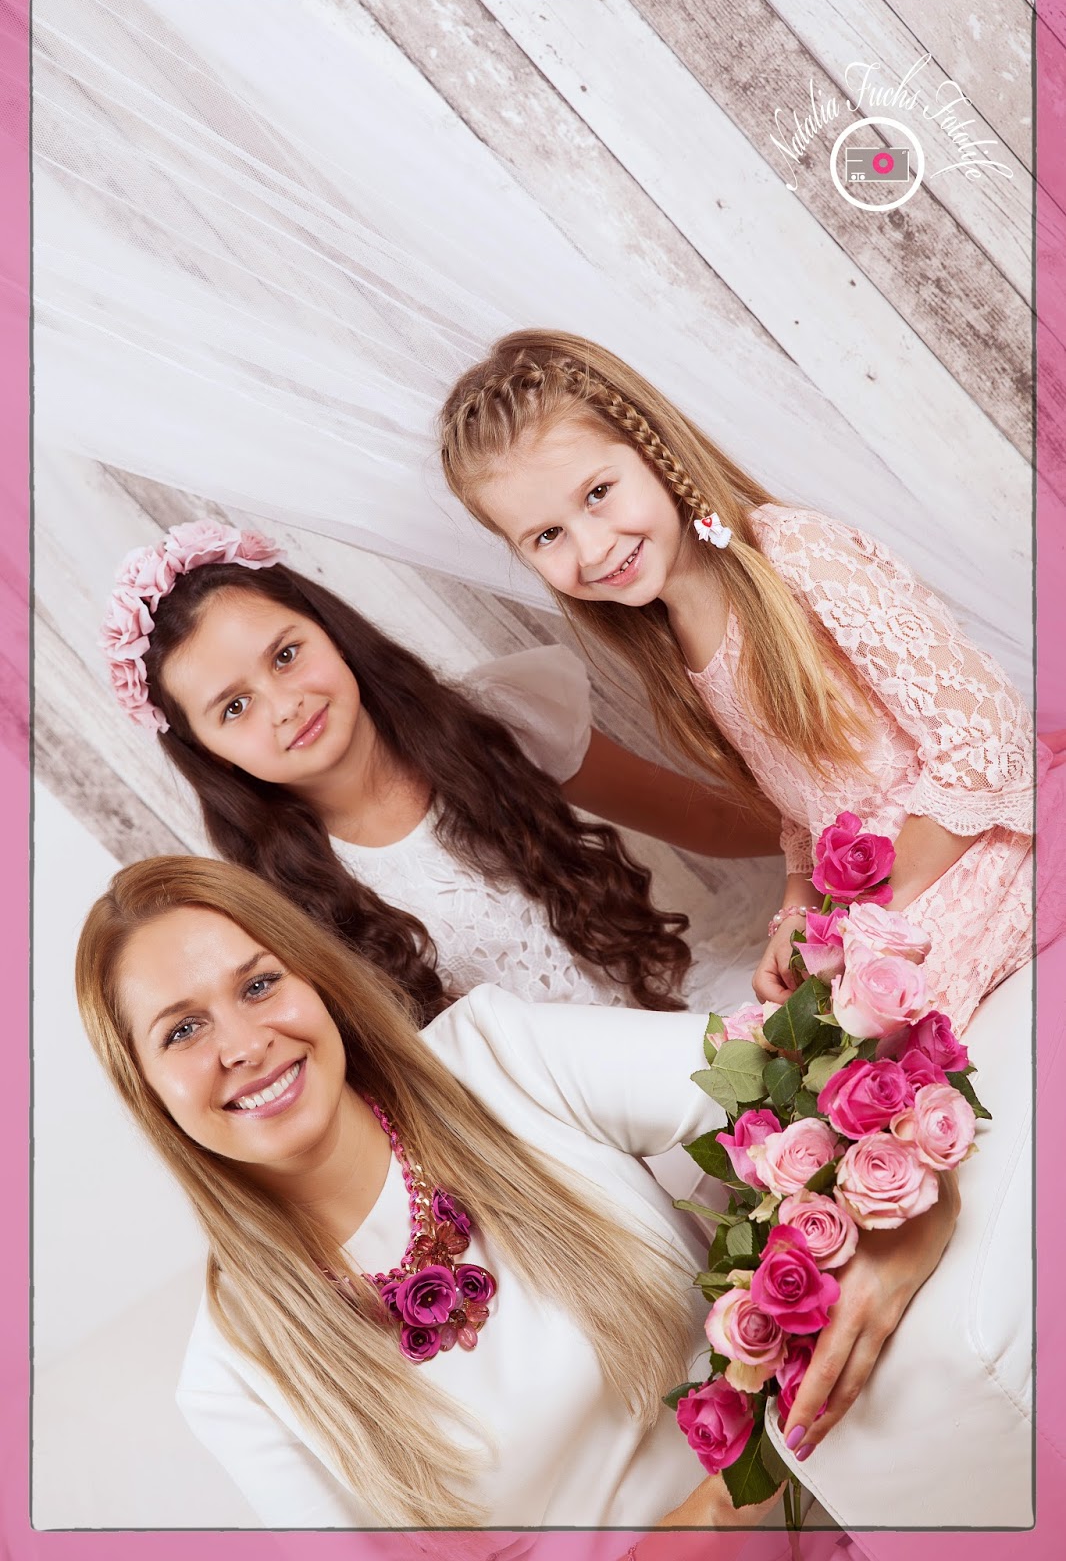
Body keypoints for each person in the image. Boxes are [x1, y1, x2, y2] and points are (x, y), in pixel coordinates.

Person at [74, 856, 958, 1531]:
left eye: (259, 983)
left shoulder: (494, 1057)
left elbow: (808, 1077)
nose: (242, 1044)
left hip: (864, 1506)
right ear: (147, 1090)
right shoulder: (231, 1375)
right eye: (182, 1031)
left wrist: (902, 1233)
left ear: (315, 982)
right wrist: (717, 1522)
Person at [438, 329, 1053, 1032]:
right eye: (547, 536)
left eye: (599, 493)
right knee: (785, 1052)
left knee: (870, 1045)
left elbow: (986, 739)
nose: (593, 546)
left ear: (654, 450)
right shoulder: (675, 642)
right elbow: (812, 808)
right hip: (884, 897)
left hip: (974, 848)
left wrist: (865, 918)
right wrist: (797, 915)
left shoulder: (794, 555)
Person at [102, 521, 784, 1028]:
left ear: (328, 629)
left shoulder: (496, 721)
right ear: (211, 752)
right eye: (234, 707)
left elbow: (706, 819)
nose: (285, 705)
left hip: (676, 1020)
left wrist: (833, 834)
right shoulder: (278, 906)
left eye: (285, 655)